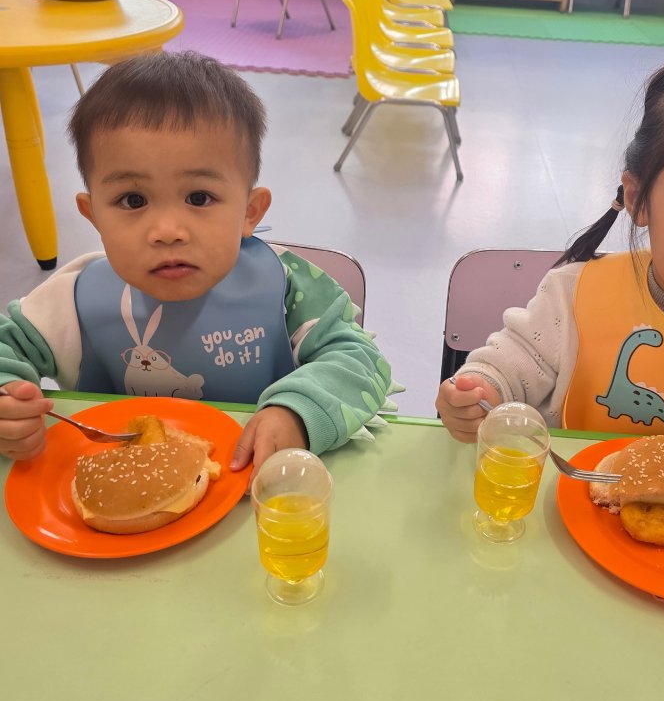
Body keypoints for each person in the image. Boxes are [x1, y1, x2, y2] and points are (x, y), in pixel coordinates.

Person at [0, 51, 400, 471]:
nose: (167, 230)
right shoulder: (72, 299)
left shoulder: (285, 283)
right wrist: (8, 402)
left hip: (260, 485)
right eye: (133, 200)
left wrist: (299, 414)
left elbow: (362, 362)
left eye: (199, 197)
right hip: (117, 492)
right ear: (94, 215)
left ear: (249, 211)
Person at [437, 50, 664, 448]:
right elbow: (512, 366)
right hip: (576, 484)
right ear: (638, 199)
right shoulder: (574, 297)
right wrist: (481, 392)